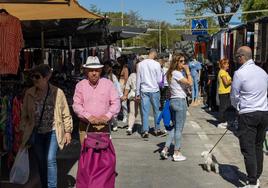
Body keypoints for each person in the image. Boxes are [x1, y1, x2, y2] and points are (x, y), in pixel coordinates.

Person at [20, 64, 73, 188]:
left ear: (46, 77)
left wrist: (68, 131)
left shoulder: (57, 92)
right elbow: (24, 115)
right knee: (41, 161)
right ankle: (45, 185)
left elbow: (65, 113)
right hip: (37, 132)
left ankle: (52, 186)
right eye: (32, 77)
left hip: (53, 131)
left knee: (50, 159)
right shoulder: (29, 93)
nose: (34, 79)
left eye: (37, 77)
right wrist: (24, 131)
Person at [73, 56, 120, 188]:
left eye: (97, 70)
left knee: (105, 161)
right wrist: (89, 117)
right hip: (86, 127)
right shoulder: (80, 85)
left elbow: (116, 102)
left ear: (100, 71)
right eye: (91, 70)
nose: (94, 73)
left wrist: (108, 115)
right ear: (86, 71)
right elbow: (76, 105)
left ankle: (102, 184)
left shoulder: (108, 84)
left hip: (103, 127)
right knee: (87, 161)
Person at [230, 46, 268, 188]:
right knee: (258, 146)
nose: (236, 59)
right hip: (264, 113)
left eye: (236, 57)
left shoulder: (239, 73)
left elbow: (234, 96)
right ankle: (256, 177)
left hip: (248, 114)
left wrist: (238, 107)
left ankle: (252, 182)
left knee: (248, 148)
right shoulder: (263, 72)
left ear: (241, 57)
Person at [160, 52, 192, 161]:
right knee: (179, 129)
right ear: (176, 62)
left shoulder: (170, 73)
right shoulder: (177, 73)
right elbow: (190, 83)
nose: (184, 63)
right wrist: (188, 72)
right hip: (179, 102)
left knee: (174, 127)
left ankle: (165, 149)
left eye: (184, 61)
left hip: (173, 101)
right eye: (181, 61)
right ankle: (177, 153)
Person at [136, 49, 165, 138]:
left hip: (144, 90)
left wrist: (137, 92)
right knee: (156, 110)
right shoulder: (157, 64)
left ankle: (145, 131)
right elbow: (159, 80)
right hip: (154, 90)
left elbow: (138, 79)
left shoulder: (140, 64)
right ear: (154, 54)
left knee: (145, 111)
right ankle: (157, 129)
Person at [103, 60, 123, 132]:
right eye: (105, 67)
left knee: (113, 112)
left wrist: (120, 95)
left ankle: (114, 123)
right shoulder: (102, 76)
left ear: (110, 68)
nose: (106, 69)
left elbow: (117, 86)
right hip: (104, 96)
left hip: (112, 96)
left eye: (107, 67)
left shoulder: (113, 77)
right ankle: (108, 125)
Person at [121, 60, 141, 135]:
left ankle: (144, 128)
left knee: (143, 113)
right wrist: (125, 95)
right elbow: (127, 86)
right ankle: (130, 128)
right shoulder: (132, 75)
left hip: (144, 96)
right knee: (132, 112)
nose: (138, 68)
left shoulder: (145, 75)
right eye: (137, 66)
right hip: (133, 95)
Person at [217, 58, 232, 128]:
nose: (228, 65)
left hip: (226, 92)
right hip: (223, 92)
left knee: (226, 107)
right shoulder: (222, 72)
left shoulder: (225, 72)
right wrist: (233, 81)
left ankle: (224, 121)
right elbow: (226, 83)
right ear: (223, 65)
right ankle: (221, 122)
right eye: (227, 64)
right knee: (223, 108)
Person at [118, 55, 129, 123]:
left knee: (123, 102)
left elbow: (126, 79)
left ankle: (125, 115)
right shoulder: (119, 68)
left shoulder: (125, 68)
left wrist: (125, 87)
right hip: (119, 85)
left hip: (123, 85)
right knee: (118, 101)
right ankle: (120, 113)